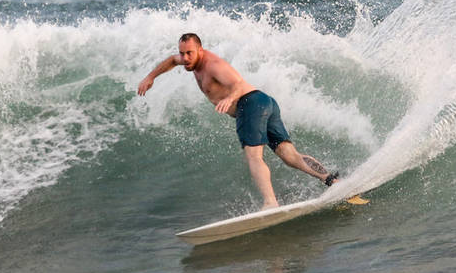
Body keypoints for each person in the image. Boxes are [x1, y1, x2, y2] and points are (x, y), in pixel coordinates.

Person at [137, 33, 338, 209]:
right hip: (265, 102)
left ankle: (270, 203)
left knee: (253, 156)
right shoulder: (187, 61)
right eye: (182, 53)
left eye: (189, 53)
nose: (185, 58)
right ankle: (330, 179)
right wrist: (150, 76)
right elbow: (172, 61)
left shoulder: (214, 66)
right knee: (289, 155)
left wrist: (230, 98)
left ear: (200, 49)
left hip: (249, 104)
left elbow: (239, 84)